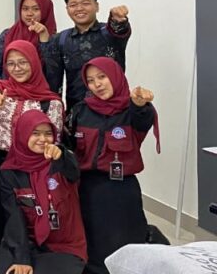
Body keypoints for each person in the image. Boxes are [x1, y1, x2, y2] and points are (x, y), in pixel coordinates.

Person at [66, 57, 159, 274]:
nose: (97, 84)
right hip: (88, 188)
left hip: (121, 190)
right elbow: (68, 144)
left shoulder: (132, 109)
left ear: (115, 77)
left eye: (102, 77)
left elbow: (143, 120)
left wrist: (140, 104)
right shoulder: (81, 111)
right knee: (92, 247)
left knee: (126, 247)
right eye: (90, 80)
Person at [0, 40, 64, 247]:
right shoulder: (0, 89)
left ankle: (24, 252)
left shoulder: (50, 102)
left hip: (30, 167)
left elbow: (54, 138)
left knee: (25, 214)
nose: (17, 68)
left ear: (34, 62)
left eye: (23, 62)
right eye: (11, 63)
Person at [0, 110, 86, 274]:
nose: (43, 139)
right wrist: (22, 258)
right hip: (25, 241)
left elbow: (73, 173)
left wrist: (61, 155)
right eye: (35, 133)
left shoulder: (60, 160)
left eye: (48, 134)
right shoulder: (9, 171)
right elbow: (14, 216)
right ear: (22, 134)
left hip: (63, 244)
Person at [46, 0, 131, 109]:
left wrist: (118, 21)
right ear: (67, 9)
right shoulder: (60, 39)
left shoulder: (109, 32)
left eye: (85, 3)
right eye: (73, 5)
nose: (79, 8)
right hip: (78, 110)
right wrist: (55, 110)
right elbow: (54, 79)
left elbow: (120, 30)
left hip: (114, 109)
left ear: (97, 6)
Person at [0, 0, 57, 85]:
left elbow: (53, 75)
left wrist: (44, 42)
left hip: (38, 92)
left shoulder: (55, 39)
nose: (29, 13)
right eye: (25, 9)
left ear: (45, 10)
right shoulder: (7, 34)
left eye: (36, 9)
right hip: (7, 91)